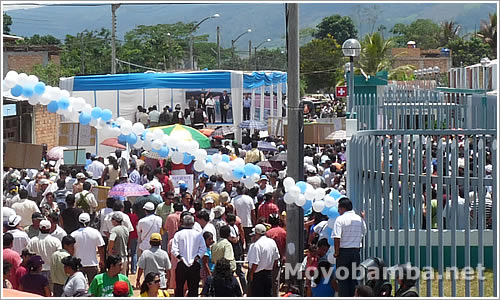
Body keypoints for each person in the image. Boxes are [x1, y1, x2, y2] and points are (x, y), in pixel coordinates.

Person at [332, 197, 367, 297]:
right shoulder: (359, 219)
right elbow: (364, 232)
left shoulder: (340, 219)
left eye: (339, 208)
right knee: (354, 280)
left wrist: (336, 252)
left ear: (342, 208)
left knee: (342, 280)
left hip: (343, 253)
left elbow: (337, 237)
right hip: (355, 252)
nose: (338, 211)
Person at [171, 214, 207, 297]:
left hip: (181, 264)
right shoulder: (198, 235)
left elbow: (174, 249)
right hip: (194, 264)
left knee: (179, 288)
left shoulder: (178, 234)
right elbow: (203, 248)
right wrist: (197, 257)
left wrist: (180, 257)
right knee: (194, 288)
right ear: (193, 223)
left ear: (183, 223)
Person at [71, 213, 105, 284]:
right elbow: (101, 247)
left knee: (79, 287)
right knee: (93, 287)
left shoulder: (73, 234)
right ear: (89, 221)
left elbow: (71, 249)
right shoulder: (95, 232)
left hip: (78, 265)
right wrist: (102, 260)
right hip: (92, 264)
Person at [247, 223, 280, 297]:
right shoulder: (272, 242)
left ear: (257, 234)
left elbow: (255, 263)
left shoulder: (257, 245)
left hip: (257, 276)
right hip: (268, 274)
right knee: (268, 294)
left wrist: (251, 275)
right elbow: (276, 259)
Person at [232, 184, 256, 252]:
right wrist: (254, 223)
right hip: (248, 224)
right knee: (248, 241)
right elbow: (253, 212)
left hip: (238, 224)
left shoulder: (234, 200)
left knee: (240, 241)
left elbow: (233, 212)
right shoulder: (249, 199)